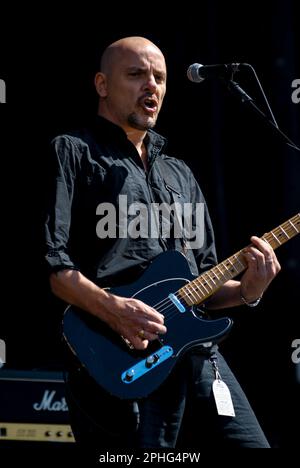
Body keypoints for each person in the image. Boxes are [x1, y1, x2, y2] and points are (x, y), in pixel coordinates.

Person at [44, 36, 281, 450]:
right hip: (119, 354)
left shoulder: (180, 173)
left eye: (159, 77)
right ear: (101, 84)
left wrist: (248, 291)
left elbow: (204, 283)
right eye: (136, 74)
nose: (150, 86)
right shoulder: (72, 152)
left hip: (196, 354)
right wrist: (116, 311)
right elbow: (53, 265)